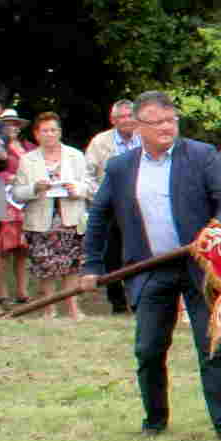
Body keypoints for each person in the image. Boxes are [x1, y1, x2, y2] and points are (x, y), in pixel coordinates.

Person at [76, 92, 221, 440]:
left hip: (200, 266)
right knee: (148, 349)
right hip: (150, 267)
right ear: (137, 127)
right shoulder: (122, 167)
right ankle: (155, 421)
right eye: (158, 122)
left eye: (172, 120)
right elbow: (99, 218)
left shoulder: (201, 155)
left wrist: (217, 227)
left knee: (212, 346)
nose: (167, 128)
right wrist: (91, 265)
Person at [11, 112, 95, 321]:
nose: (50, 134)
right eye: (45, 130)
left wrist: (76, 188)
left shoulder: (76, 155)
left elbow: (90, 186)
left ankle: (73, 308)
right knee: (44, 266)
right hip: (40, 220)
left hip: (71, 217)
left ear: (60, 132)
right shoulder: (27, 160)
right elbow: (16, 193)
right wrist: (34, 188)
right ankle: (49, 309)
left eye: (54, 130)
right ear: (37, 134)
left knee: (72, 266)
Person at [84, 98, 142, 315]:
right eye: (121, 117)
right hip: (110, 208)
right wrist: (101, 196)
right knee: (112, 256)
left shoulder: (145, 138)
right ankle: (117, 303)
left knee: (139, 253)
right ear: (113, 120)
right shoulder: (100, 142)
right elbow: (86, 174)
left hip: (140, 207)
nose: (127, 120)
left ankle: (138, 299)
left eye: (130, 115)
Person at [0, 111, 25, 305]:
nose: (12, 127)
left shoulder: (28, 146)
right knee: (2, 248)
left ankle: (23, 292)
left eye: (16, 124)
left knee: (23, 248)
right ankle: (2, 293)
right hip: (2, 196)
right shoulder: (0, 145)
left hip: (24, 200)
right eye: (8, 124)